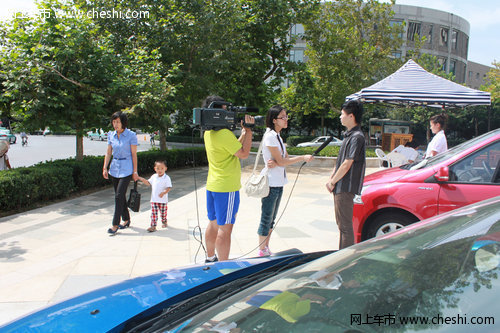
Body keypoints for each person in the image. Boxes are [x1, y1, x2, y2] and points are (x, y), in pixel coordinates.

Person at [203, 95, 254, 262]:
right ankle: (224, 266)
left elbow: (233, 148)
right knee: (225, 229)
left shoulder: (208, 133)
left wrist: (244, 132)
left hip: (213, 185)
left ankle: (210, 258)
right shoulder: (224, 133)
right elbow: (244, 154)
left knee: (213, 223)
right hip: (227, 187)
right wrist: (251, 131)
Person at [257, 105, 313, 256]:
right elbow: (282, 161)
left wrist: (279, 161)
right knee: (266, 218)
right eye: (283, 117)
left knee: (272, 219)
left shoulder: (278, 136)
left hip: (278, 182)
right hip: (271, 184)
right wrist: (301, 157)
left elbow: (284, 159)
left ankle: (266, 248)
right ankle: (262, 251)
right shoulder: (270, 136)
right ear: (274, 120)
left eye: (286, 116)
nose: (286, 119)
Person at [325, 100, 365, 250]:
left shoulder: (356, 137)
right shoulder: (349, 136)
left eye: (342, 114)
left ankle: (344, 258)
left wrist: (332, 182)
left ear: (351, 116)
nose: (340, 117)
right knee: (342, 225)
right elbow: (340, 161)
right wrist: (332, 179)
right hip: (340, 186)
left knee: (345, 226)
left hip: (345, 186)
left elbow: (347, 163)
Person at [102, 111, 139, 235]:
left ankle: (115, 224)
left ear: (123, 122)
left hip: (127, 168)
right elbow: (108, 153)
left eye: (118, 122)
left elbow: (134, 154)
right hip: (114, 168)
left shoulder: (131, 135)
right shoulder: (111, 135)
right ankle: (126, 219)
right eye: (113, 122)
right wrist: (105, 168)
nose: (115, 124)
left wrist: (135, 171)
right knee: (120, 196)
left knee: (118, 195)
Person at [136, 160, 172, 232]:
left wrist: (164, 192)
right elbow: (148, 183)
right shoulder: (154, 176)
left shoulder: (167, 178)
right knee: (154, 213)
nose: (160, 170)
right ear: (155, 169)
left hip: (163, 200)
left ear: (165, 168)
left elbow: (169, 187)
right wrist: (141, 179)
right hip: (154, 200)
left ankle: (164, 221)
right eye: (158, 168)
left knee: (163, 213)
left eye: (162, 168)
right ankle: (153, 226)